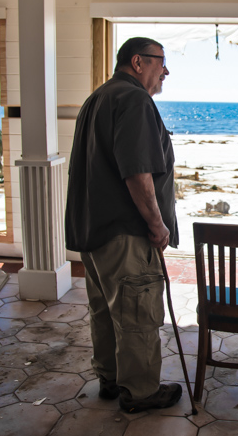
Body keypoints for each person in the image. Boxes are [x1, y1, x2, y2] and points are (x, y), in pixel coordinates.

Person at [64, 37, 181, 413]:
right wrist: (157, 224)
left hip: (94, 231)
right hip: (125, 233)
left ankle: (111, 379)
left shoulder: (96, 98)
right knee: (137, 313)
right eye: (160, 62)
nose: (166, 70)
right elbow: (137, 173)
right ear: (138, 62)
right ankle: (141, 392)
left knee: (105, 311)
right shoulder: (134, 100)